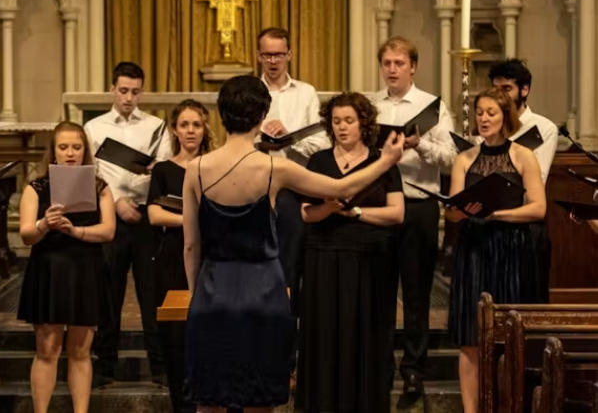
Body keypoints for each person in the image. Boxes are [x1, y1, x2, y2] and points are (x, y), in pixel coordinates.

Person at [181, 75, 405, 412]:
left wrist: (196, 295)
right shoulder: (275, 167)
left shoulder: (195, 169)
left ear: (221, 114)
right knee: (260, 401)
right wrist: (386, 162)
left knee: (210, 401)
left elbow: (190, 245)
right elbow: (341, 189)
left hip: (214, 291)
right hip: (263, 291)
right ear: (261, 116)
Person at [295, 92, 404, 413]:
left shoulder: (381, 161)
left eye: (349, 121)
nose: (342, 127)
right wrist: (329, 206)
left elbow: (396, 214)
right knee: (324, 334)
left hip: (369, 258)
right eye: (336, 121)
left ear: (363, 124)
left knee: (366, 334)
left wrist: (356, 213)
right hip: (323, 257)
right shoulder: (318, 161)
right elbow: (305, 213)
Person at [446, 87, 545, 413]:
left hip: (511, 251)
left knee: (509, 338)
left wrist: (498, 213)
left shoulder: (522, 155)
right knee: (470, 339)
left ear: (505, 117)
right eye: (480, 112)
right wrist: (461, 211)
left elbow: (538, 209)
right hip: (474, 251)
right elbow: (452, 210)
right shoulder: (464, 158)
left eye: (491, 112)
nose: (484, 118)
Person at [371, 35, 457, 406]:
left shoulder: (432, 107)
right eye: (387, 63)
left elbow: (453, 159)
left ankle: (413, 369)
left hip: (418, 205)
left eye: (399, 63)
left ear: (413, 67)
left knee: (418, 290)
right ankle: (379, 365)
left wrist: (418, 144)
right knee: (378, 290)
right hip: (378, 204)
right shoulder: (370, 105)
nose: (392, 69)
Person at [16, 121, 116, 413]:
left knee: (81, 351)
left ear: (85, 150)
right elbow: (25, 234)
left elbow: (109, 231)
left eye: (76, 147)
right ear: (53, 151)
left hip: (85, 268)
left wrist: (76, 232)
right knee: (47, 350)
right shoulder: (36, 188)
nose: (70, 153)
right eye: (63, 147)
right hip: (49, 269)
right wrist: (45, 224)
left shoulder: (100, 187)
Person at [84, 62, 172, 387]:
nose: (129, 98)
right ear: (112, 89)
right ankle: (105, 366)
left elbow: (162, 170)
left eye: (135, 91)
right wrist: (118, 201)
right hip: (110, 215)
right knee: (109, 293)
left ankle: (160, 367)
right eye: (123, 90)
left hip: (147, 216)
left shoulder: (157, 126)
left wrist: (137, 199)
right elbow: (91, 172)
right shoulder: (94, 128)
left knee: (152, 294)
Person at [255, 26, 330, 298]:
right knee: (258, 262)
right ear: (258, 56)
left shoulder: (305, 93)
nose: (273, 61)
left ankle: (291, 329)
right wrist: (259, 141)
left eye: (279, 54)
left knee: (291, 262)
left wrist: (289, 137)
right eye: (267, 55)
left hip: (296, 188)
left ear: (290, 54)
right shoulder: (250, 90)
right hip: (256, 187)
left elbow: (322, 144)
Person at [147, 99, 212, 413]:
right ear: (175, 129)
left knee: (208, 336)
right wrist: (192, 218)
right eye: (184, 124)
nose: (190, 131)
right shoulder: (163, 169)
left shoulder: (214, 165)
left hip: (210, 259)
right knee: (175, 339)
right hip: (172, 258)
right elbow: (155, 215)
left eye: (196, 124)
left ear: (205, 129)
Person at [489, 59, 558, 303]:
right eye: (496, 89)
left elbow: (536, 180)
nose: (501, 96)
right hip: (492, 224)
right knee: (493, 302)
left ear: (524, 90)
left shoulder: (543, 127)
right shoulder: (490, 125)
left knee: (526, 300)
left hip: (526, 225)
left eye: (507, 89)